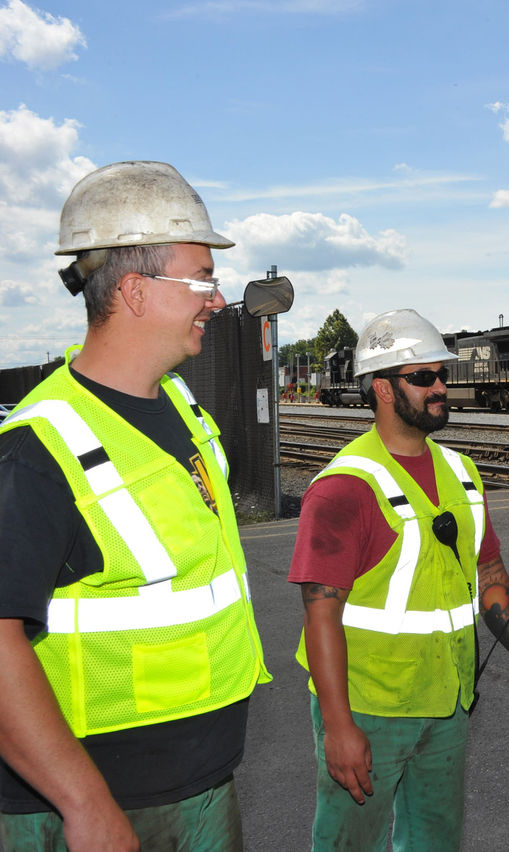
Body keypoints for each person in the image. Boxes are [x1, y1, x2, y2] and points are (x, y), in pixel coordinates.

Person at [0, 161, 272, 851]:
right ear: (134, 291)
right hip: (98, 799)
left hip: (198, 780)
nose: (216, 299)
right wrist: (85, 804)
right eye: (201, 279)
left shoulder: (178, 406)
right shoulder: (38, 449)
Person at [288, 308, 509, 851]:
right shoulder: (343, 488)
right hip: (368, 707)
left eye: (442, 375)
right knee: (348, 843)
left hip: (447, 700)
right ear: (382, 389)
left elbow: (490, 573)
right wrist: (339, 727)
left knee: (434, 841)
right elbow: (321, 613)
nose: (440, 389)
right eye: (422, 378)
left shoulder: (461, 472)